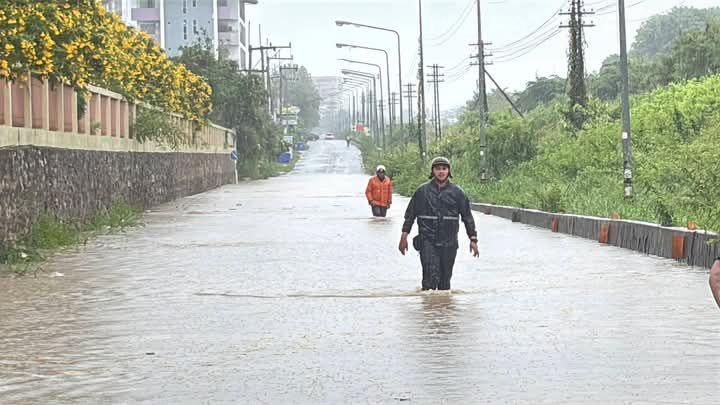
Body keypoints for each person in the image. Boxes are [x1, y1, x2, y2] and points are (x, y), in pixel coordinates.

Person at [398, 157, 479, 290]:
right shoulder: (422, 191)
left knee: (445, 282)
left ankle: (442, 303)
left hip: (449, 242)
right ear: (433, 171)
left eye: (444, 168)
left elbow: (467, 217)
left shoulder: (457, 193)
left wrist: (473, 239)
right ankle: (428, 301)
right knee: (430, 278)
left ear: (448, 171)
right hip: (427, 240)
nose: (441, 172)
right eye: (437, 169)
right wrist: (403, 237)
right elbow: (410, 216)